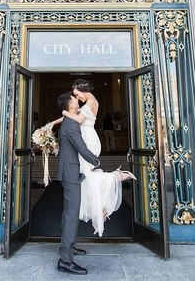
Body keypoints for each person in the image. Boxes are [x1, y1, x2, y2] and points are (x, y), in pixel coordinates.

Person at [48, 79, 136, 237]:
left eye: (77, 94)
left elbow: (78, 119)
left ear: (84, 90)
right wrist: (53, 123)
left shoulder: (91, 101)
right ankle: (100, 204)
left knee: (86, 177)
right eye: (75, 96)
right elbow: (72, 115)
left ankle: (109, 189)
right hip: (85, 139)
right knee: (85, 179)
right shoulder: (85, 103)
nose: (77, 98)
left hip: (89, 142)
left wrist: (63, 112)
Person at [56, 91, 100, 275]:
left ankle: (70, 247)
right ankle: (65, 260)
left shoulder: (69, 121)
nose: (78, 101)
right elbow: (81, 147)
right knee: (71, 215)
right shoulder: (71, 125)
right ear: (71, 106)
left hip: (72, 171)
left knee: (70, 213)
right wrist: (96, 161)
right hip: (71, 173)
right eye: (75, 100)